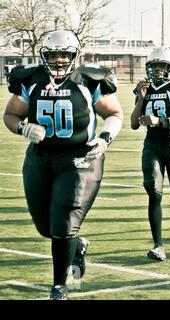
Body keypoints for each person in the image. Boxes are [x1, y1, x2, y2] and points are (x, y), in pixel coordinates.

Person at [3, 30, 123, 300]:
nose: (59, 60)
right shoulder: (30, 80)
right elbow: (10, 114)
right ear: (43, 56)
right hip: (40, 157)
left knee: (63, 224)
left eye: (65, 55)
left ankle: (59, 286)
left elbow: (114, 113)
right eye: (53, 55)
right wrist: (22, 128)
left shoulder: (88, 80)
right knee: (45, 227)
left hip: (80, 159)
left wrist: (104, 139)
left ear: (74, 56)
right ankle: (77, 246)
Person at [131, 47, 170, 260]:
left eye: (162, 66)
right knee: (154, 192)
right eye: (154, 66)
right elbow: (133, 124)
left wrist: (160, 121)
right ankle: (158, 245)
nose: (158, 71)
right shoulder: (144, 88)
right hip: (152, 145)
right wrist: (141, 98)